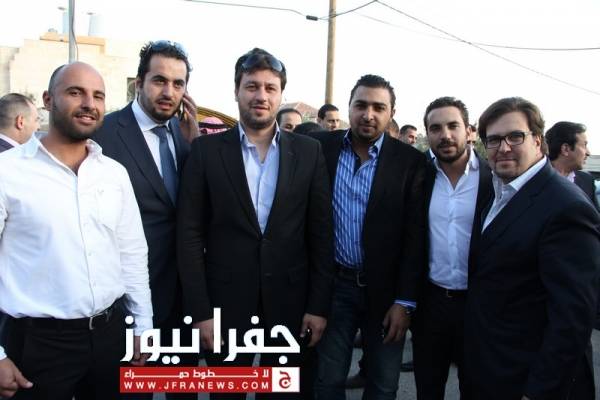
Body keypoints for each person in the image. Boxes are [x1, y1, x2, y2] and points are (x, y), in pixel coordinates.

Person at [177, 48, 334, 399]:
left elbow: (321, 235)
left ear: (280, 94)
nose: (261, 95)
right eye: (251, 86)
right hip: (224, 307)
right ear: (236, 91)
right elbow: (189, 236)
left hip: (291, 306)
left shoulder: (308, 152)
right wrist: (200, 312)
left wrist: (317, 307)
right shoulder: (206, 152)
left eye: (270, 88)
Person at [0, 62, 152, 399]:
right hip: (37, 346)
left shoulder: (114, 174)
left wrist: (143, 326)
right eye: (75, 92)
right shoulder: (7, 172)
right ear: (48, 100)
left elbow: (132, 254)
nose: (89, 104)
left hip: (111, 336)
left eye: (98, 96)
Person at [465, 97, 600, 400]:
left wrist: (539, 392)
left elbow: (572, 319)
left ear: (538, 140)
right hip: (491, 369)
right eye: (494, 140)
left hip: (527, 381)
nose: (503, 147)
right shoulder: (498, 191)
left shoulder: (566, 206)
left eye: (515, 136)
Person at [93, 40, 199, 399]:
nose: (169, 92)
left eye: (178, 83)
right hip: (126, 304)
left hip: (180, 301)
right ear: (138, 83)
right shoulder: (104, 133)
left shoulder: (183, 134)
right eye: (159, 81)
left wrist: (195, 147)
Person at [312, 74, 427, 400]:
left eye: (379, 107)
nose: (368, 114)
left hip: (387, 293)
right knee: (328, 380)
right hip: (335, 287)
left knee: (383, 384)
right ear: (349, 107)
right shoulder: (321, 149)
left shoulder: (411, 162)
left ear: (392, 113)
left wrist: (405, 302)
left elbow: (415, 237)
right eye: (361, 105)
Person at [412, 97, 492, 400]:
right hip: (431, 305)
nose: (444, 135)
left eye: (452, 126)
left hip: (478, 305)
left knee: (475, 388)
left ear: (469, 131)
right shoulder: (419, 176)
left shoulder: (494, 178)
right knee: (427, 388)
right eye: (435, 128)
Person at [545, 121, 599, 210]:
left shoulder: (587, 181)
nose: (588, 153)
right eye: (584, 145)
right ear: (566, 149)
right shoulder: (536, 180)